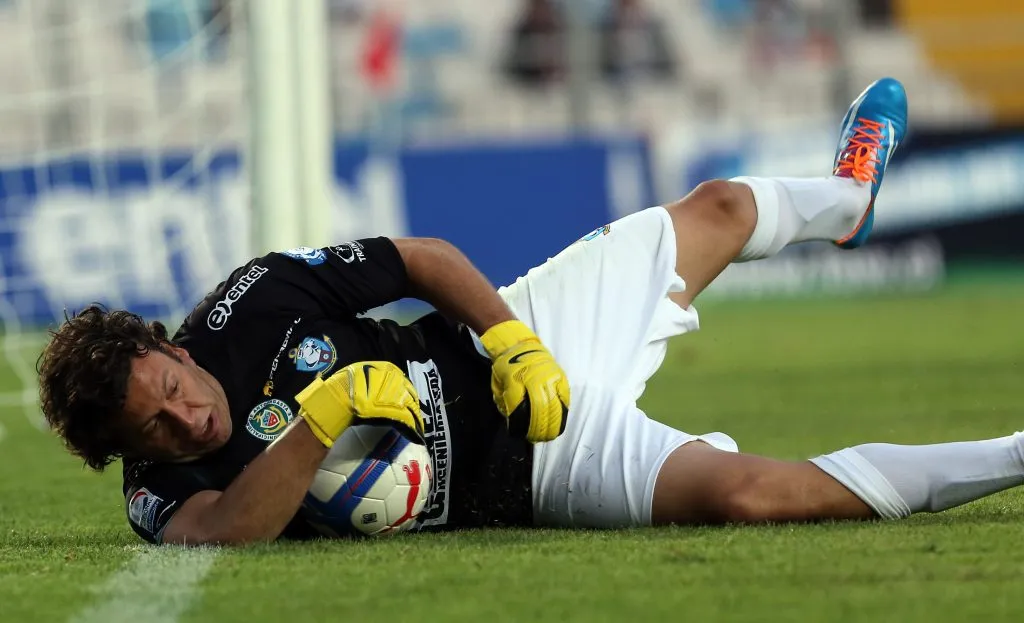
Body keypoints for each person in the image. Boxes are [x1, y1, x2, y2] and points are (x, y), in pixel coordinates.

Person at [37, 78, 1024, 545]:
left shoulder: (249, 300)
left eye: (171, 387)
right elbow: (225, 532)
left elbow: (420, 257)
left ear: (165, 343)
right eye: (154, 425)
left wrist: (507, 335)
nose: (185, 417)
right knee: (749, 498)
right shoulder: (159, 494)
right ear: (127, 446)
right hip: (540, 466)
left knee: (719, 205)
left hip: (527, 344)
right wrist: (321, 417)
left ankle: (847, 202)